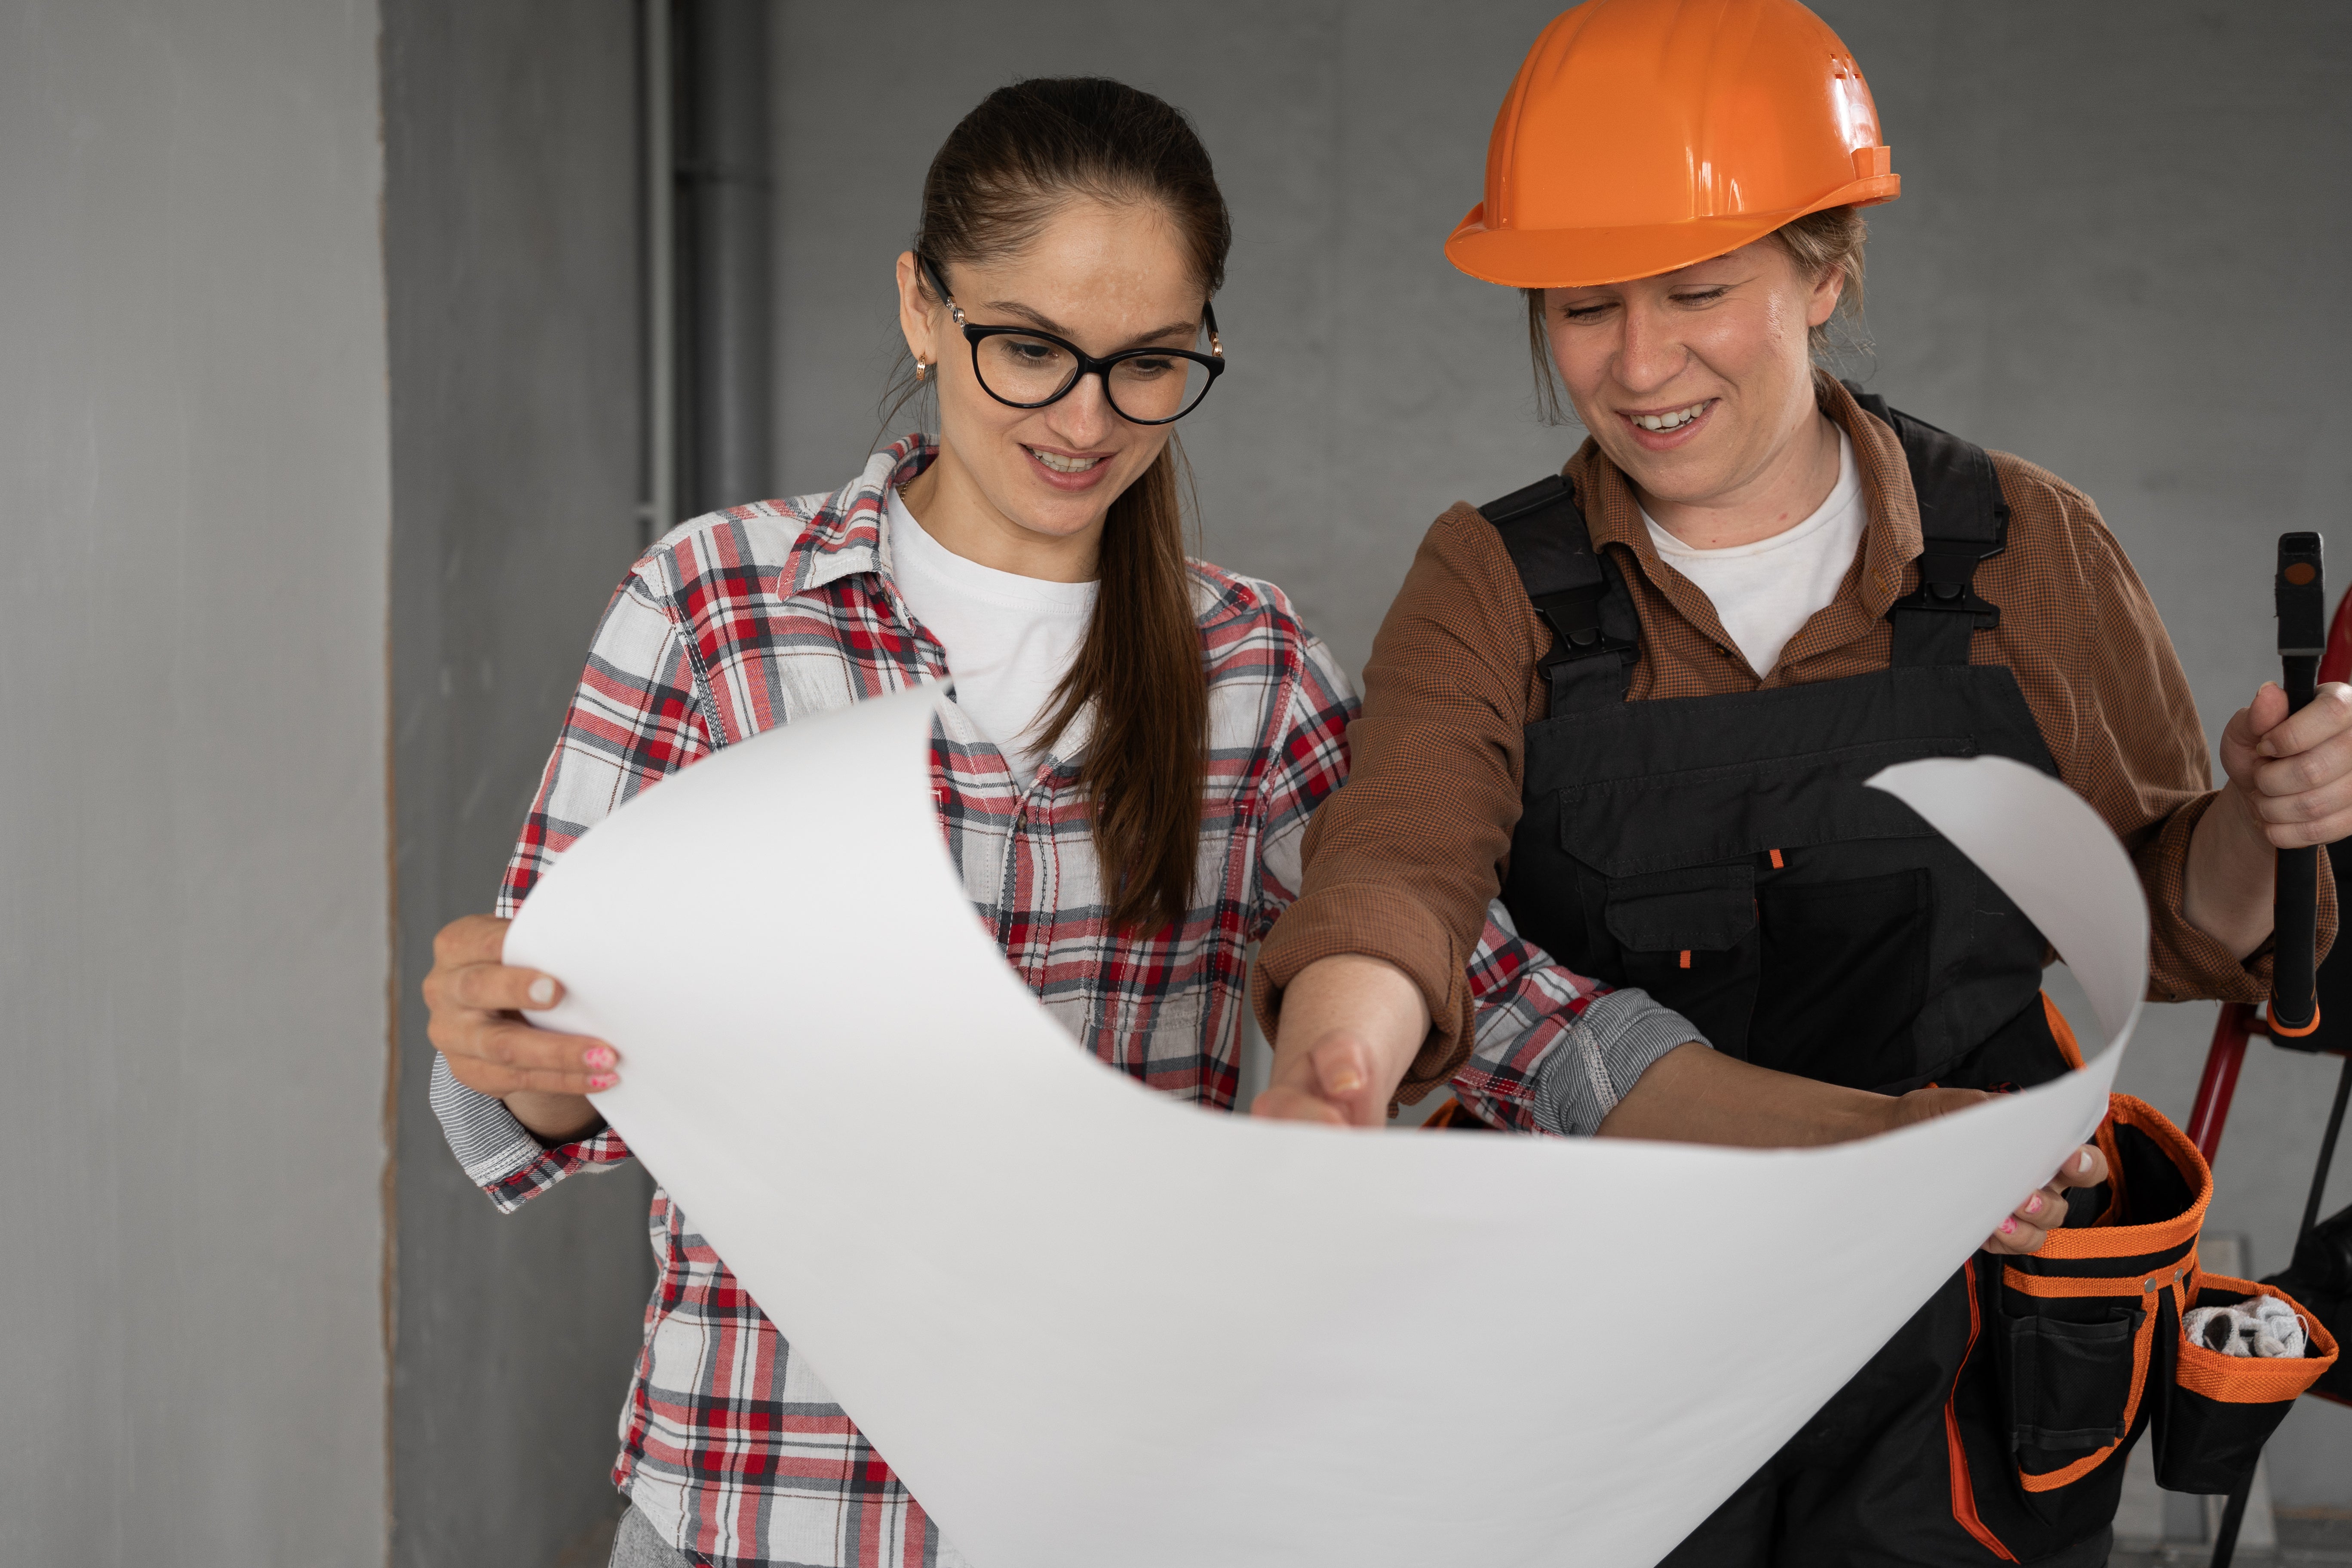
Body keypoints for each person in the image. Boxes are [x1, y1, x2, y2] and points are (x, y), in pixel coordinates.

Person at [419, 76, 1732, 1568]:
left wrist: (1872, 1147)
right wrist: (518, 1052)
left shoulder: (1253, 666)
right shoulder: (715, 604)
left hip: (1117, 1513)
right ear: (923, 307)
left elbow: (1502, 1012)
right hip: (755, 1508)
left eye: (1149, 364)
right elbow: (546, 1084)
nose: (1087, 420)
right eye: (1029, 349)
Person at [1253, 1, 2352, 1563]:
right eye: (1582, 306)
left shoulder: (2022, 549)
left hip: (1962, 1325)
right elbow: (1400, 871)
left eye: (1700, 291)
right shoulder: (1492, 579)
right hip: (1601, 1338)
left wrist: (2260, 820)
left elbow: (2172, 920)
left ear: (1826, 271)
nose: (1638, 366)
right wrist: (1335, 1073)